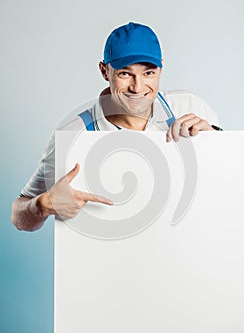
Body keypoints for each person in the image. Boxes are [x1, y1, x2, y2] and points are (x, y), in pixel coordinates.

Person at [11, 22, 222, 232]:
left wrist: (215, 142)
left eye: (148, 73)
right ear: (104, 71)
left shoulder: (191, 107)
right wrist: (40, 206)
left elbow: (229, 187)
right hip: (106, 262)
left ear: (161, 68)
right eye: (125, 74)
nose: (137, 87)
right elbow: (18, 216)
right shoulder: (73, 135)